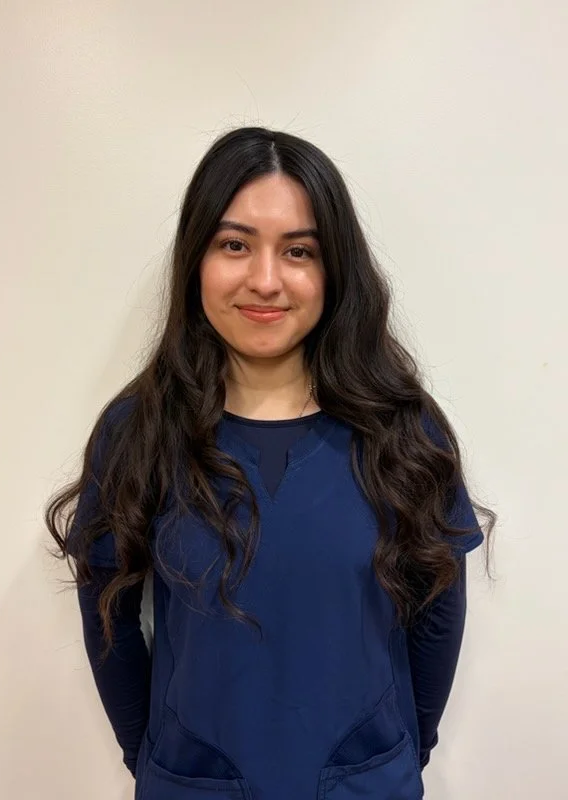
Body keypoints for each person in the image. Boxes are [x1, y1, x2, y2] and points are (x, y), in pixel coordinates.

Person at [46, 126, 495, 800]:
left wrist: (397, 752)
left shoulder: (403, 431)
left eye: (299, 251)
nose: (265, 280)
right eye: (234, 245)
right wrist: (152, 759)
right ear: (197, 258)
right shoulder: (138, 431)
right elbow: (106, 615)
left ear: (334, 268)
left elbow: (437, 612)